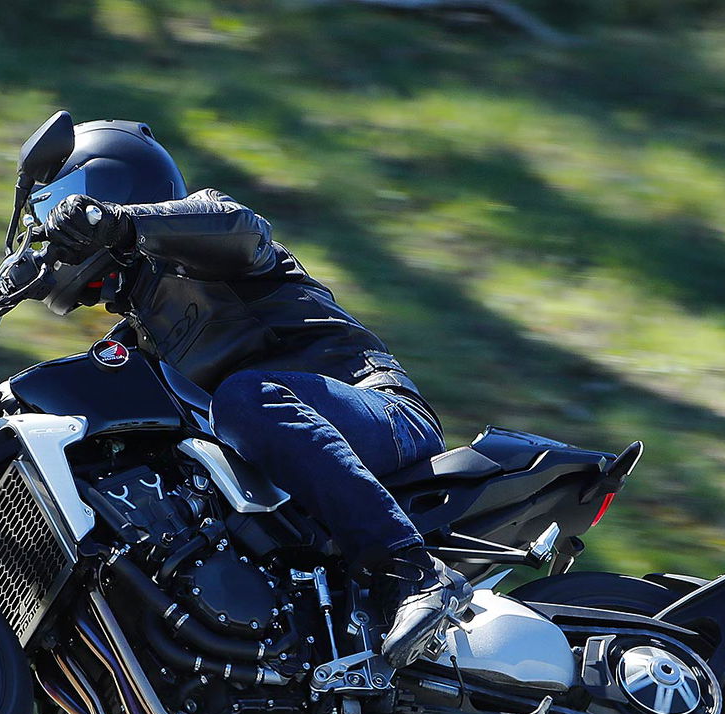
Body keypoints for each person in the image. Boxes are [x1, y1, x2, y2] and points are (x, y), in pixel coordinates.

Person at [36, 120, 466, 667]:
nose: (53, 226)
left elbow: (238, 228)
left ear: (112, 184)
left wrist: (116, 222)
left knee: (244, 398)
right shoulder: (137, 340)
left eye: (61, 203)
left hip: (382, 409)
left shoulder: (210, 236)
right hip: (294, 459)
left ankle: (411, 573)